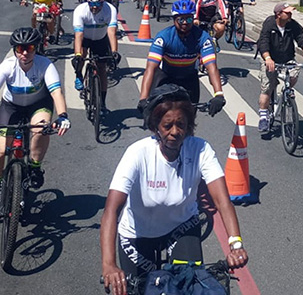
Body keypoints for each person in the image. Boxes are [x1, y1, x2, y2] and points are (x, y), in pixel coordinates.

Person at [99, 84, 248, 294]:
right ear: (155, 127)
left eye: (181, 125)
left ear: (189, 126)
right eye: (167, 125)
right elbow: (111, 211)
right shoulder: (137, 154)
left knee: (190, 287)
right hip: (138, 234)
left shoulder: (201, 149)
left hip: (181, 228)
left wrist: (236, 243)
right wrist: (109, 265)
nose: (175, 132)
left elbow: (222, 201)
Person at [0, 27, 71, 201]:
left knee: (40, 129)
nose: (25, 53)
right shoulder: (8, 66)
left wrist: (62, 116)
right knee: (1, 151)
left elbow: (56, 93)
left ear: (36, 48)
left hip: (38, 105)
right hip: (11, 107)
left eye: (30, 48)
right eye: (20, 49)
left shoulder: (45, 65)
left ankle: (35, 166)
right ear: (15, 50)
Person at [138, 0, 225, 117]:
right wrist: (143, 98)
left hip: (189, 78)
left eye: (189, 19)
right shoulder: (163, 37)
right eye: (181, 19)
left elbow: (212, 67)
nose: (185, 22)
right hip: (165, 76)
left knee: (189, 121)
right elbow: (150, 69)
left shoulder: (202, 38)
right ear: (174, 20)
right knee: (157, 116)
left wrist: (218, 94)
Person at [255, 3, 303, 133]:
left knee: (294, 73)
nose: (290, 14)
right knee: (267, 87)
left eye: (290, 12)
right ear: (278, 14)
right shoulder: (269, 24)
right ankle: (263, 116)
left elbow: (302, 37)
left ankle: (287, 90)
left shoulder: (292, 24)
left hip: (287, 58)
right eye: (287, 12)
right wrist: (268, 58)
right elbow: (263, 42)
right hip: (271, 59)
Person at [71, 0, 120, 112]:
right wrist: (77, 54)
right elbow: (78, 35)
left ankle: (102, 102)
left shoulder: (110, 10)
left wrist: (114, 52)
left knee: (102, 69)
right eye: (91, 4)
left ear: (103, 2)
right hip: (85, 38)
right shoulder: (80, 10)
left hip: (100, 39)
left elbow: (111, 31)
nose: (94, 7)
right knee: (81, 55)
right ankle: (78, 74)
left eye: (97, 4)